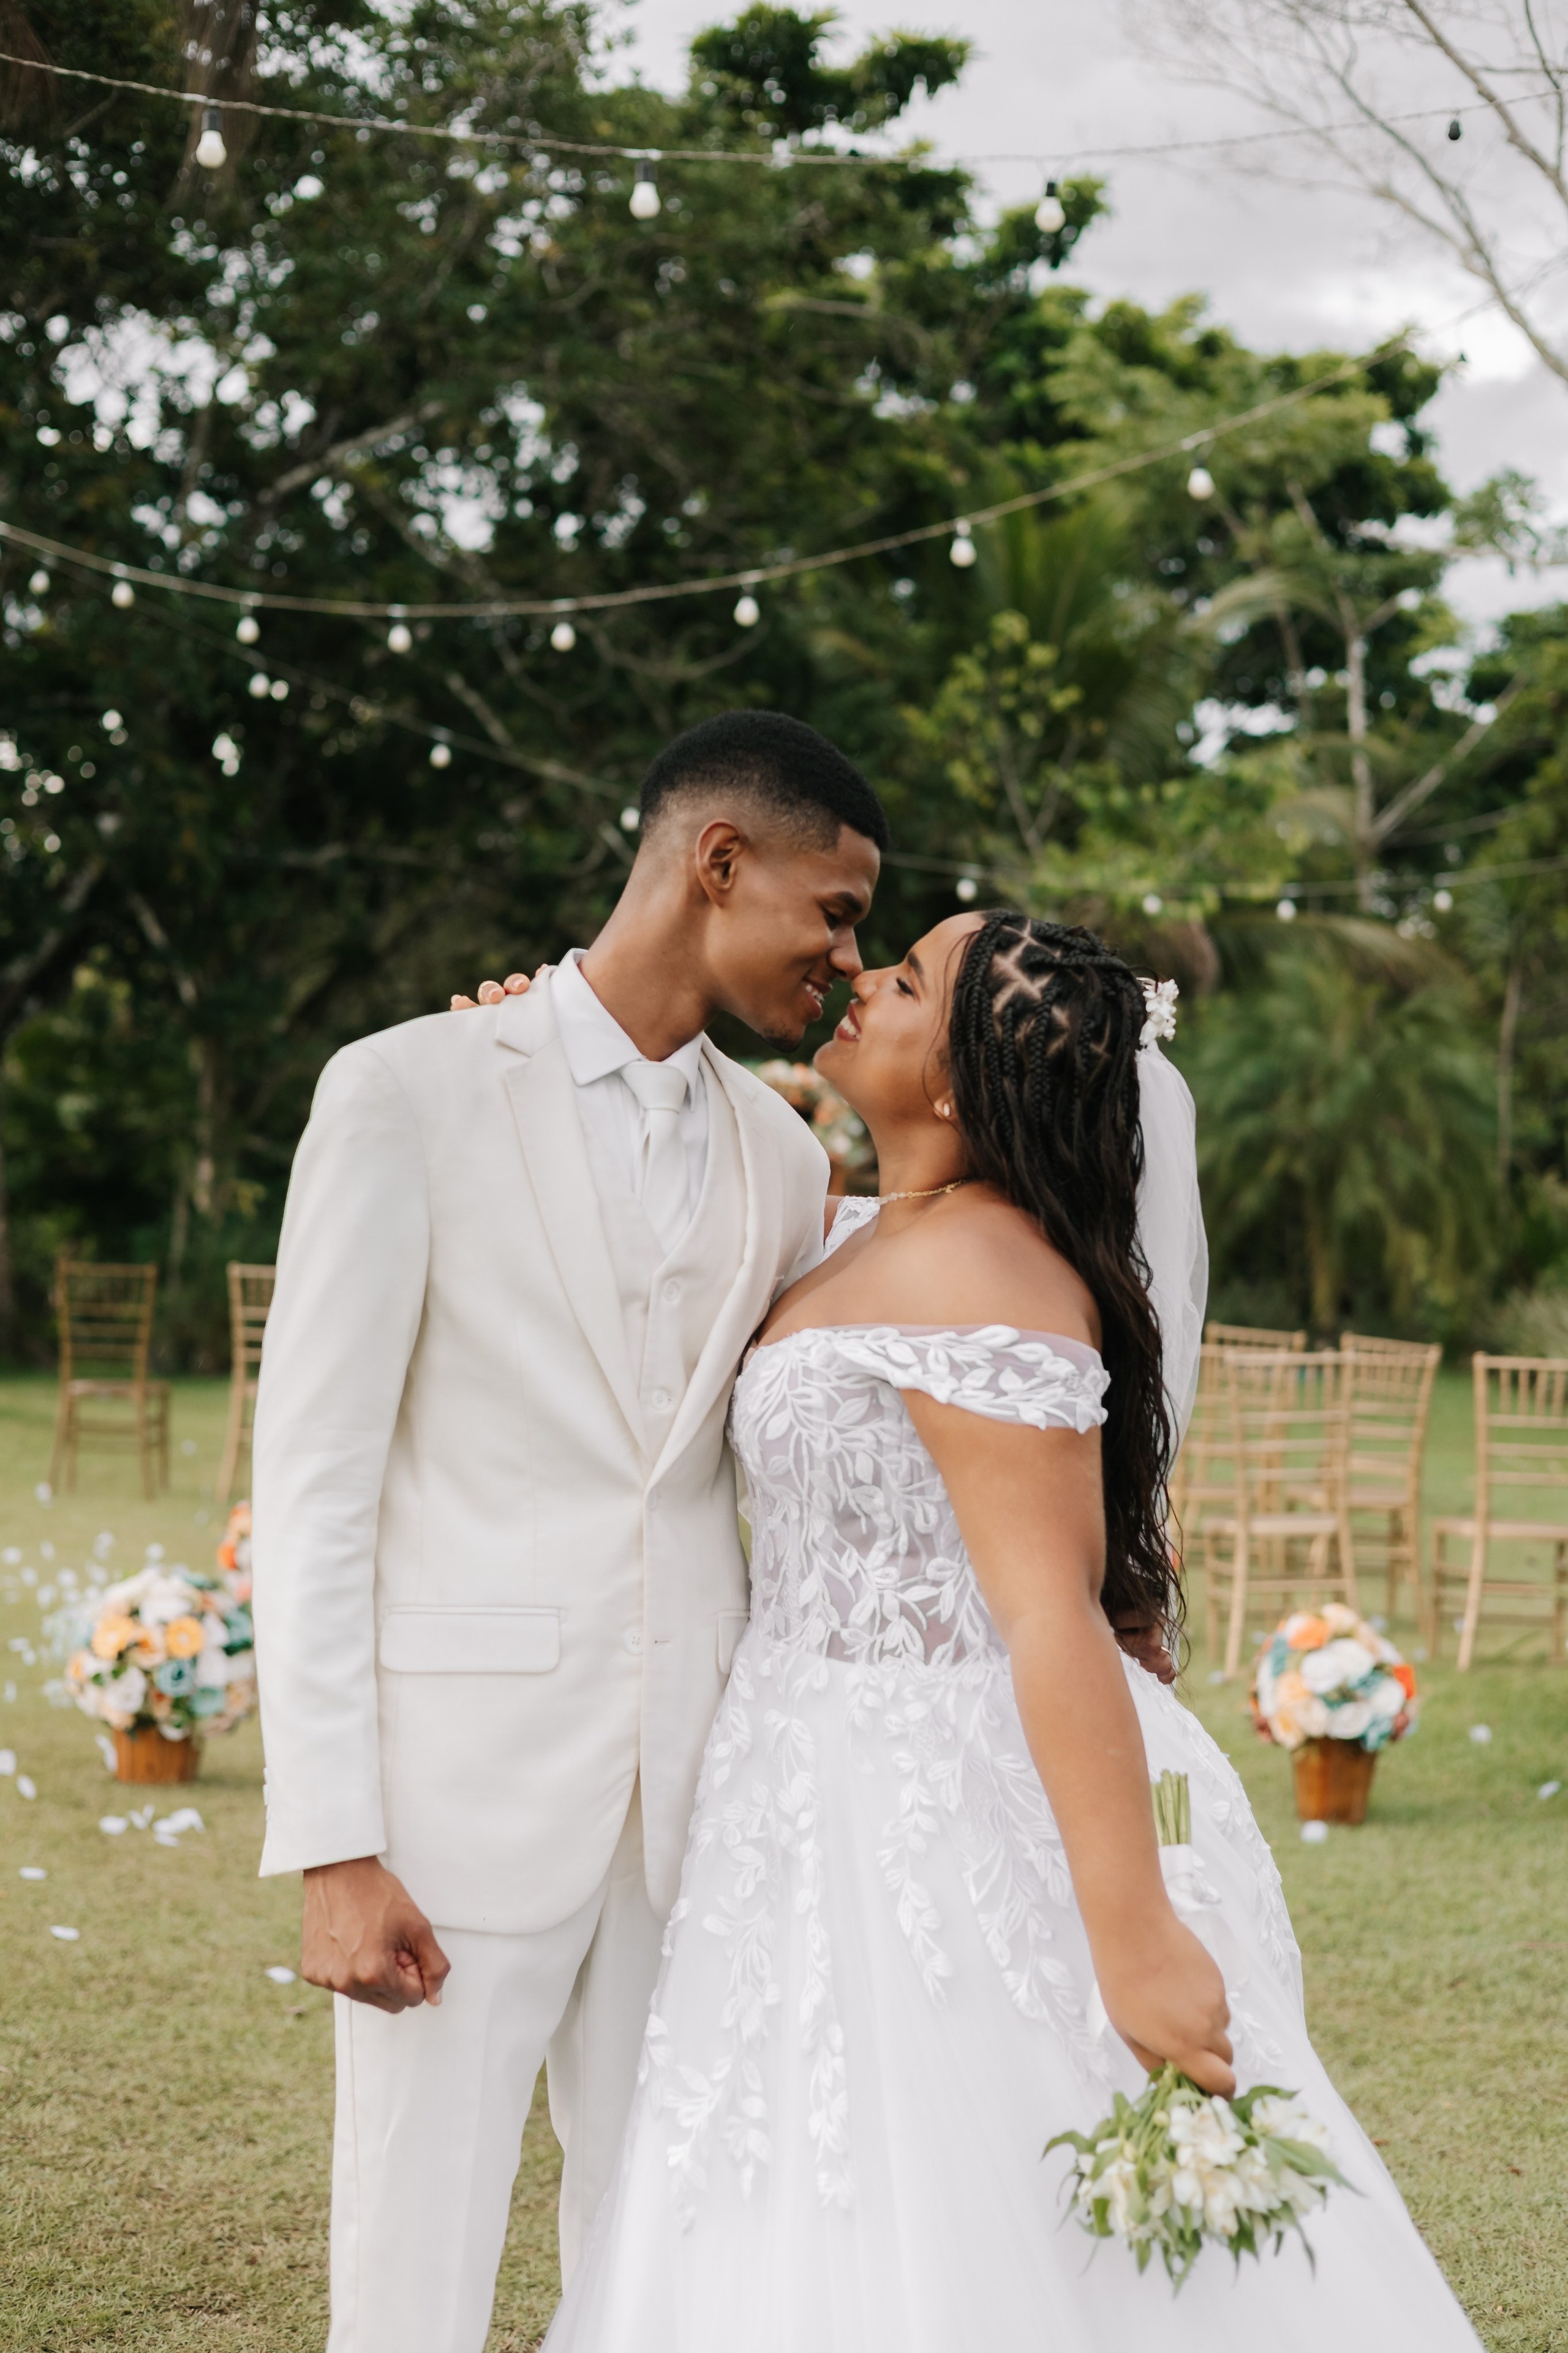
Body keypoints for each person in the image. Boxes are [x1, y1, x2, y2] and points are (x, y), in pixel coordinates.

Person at [530, 911, 1483, 2352]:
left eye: (904, 979)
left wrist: (1133, 1933)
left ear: (964, 1081)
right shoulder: (852, 1227)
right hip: (792, 1786)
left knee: (972, 2191)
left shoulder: (990, 1276)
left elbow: (1048, 1618)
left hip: (937, 1801)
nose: (858, 975)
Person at [251, 710, 889, 2353]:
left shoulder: (784, 1149)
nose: (845, 958)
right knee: (414, 2264)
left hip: (693, 1804)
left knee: (665, 2260)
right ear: (717, 862)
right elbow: (314, 1480)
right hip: (454, 1809)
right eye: (835, 911)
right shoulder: (404, 1089)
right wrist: (334, 1841)